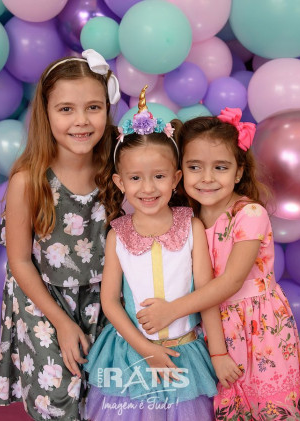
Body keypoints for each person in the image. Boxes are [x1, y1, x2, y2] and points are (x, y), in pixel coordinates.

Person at [136, 108, 300, 420]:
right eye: (195, 167)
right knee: (227, 403)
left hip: (258, 327)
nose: (207, 178)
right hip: (211, 325)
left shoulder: (249, 215)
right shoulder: (186, 219)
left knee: (267, 402)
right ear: (180, 171)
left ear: (238, 172)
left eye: (220, 167)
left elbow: (231, 282)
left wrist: (171, 310)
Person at [83, 89, 242, 420]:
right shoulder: (117, 235)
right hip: (133, 354)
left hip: (184, 350)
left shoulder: (192, 226)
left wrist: (218, 353)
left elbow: (206, 295)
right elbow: (110, 302)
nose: (148, 188)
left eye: (159, 176)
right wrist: (146, 350)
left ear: (175, 179)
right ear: (120, 182)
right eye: (135, 178)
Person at [0, 49, 121, 420]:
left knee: (105, 395)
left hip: (103, 299)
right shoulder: (29, 182)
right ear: (45, 114)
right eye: (66, 109)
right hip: (44, 302)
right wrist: (62, 323)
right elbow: (19, 261)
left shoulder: (117, 169)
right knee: (58, 398)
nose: (81, 121)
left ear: (107, 109)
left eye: (93, 107)